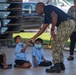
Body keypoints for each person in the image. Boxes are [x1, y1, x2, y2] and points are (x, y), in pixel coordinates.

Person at [29, 2, 75, 73]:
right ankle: (60, 64)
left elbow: (55, 16)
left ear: (40, 7)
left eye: (36, 9)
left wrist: (52, 30)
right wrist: (34, 37)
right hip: (70, 23)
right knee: (59, 44)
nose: (36, 11)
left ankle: (56, 66)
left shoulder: (47, 8)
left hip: (66, 23)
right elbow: (42, 29)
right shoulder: (47, 16)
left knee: (55, 44)